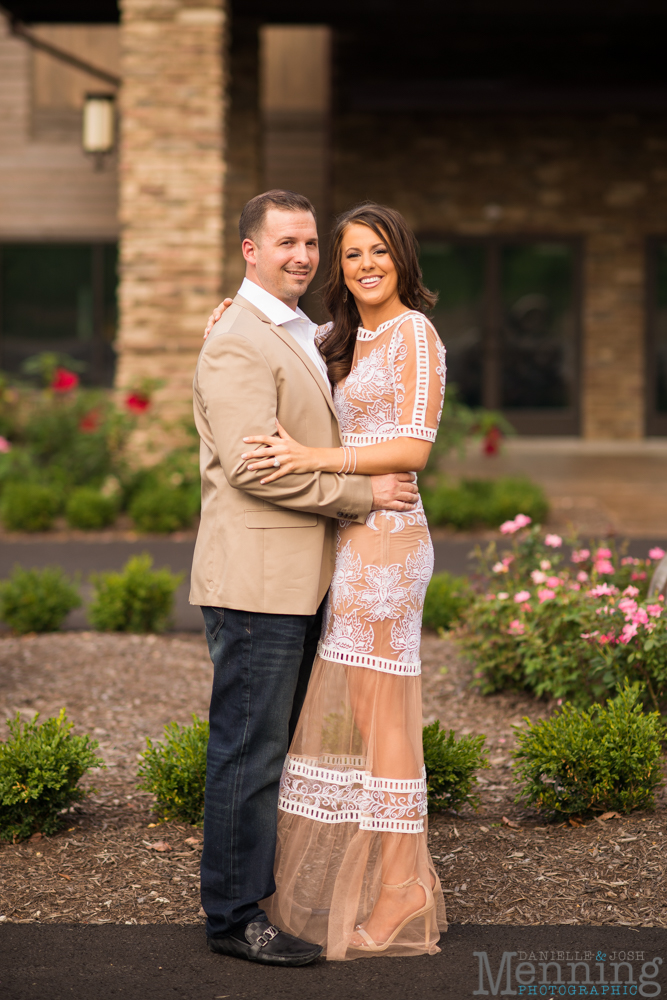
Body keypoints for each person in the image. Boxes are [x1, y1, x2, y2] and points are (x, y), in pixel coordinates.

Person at [205, 201, 448, 960]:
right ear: (253, 251)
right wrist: (234, 314)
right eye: (347, 254)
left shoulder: (411, 333)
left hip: (384, 543)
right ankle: (248, 910)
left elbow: (409, 449)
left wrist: (317, 461)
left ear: (402, 258)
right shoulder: (326, 336)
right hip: (328, 549)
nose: (356, 264)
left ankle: (401, 887)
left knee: (381, 725)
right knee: (312, 736)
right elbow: (260, 418)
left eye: (373, 251)